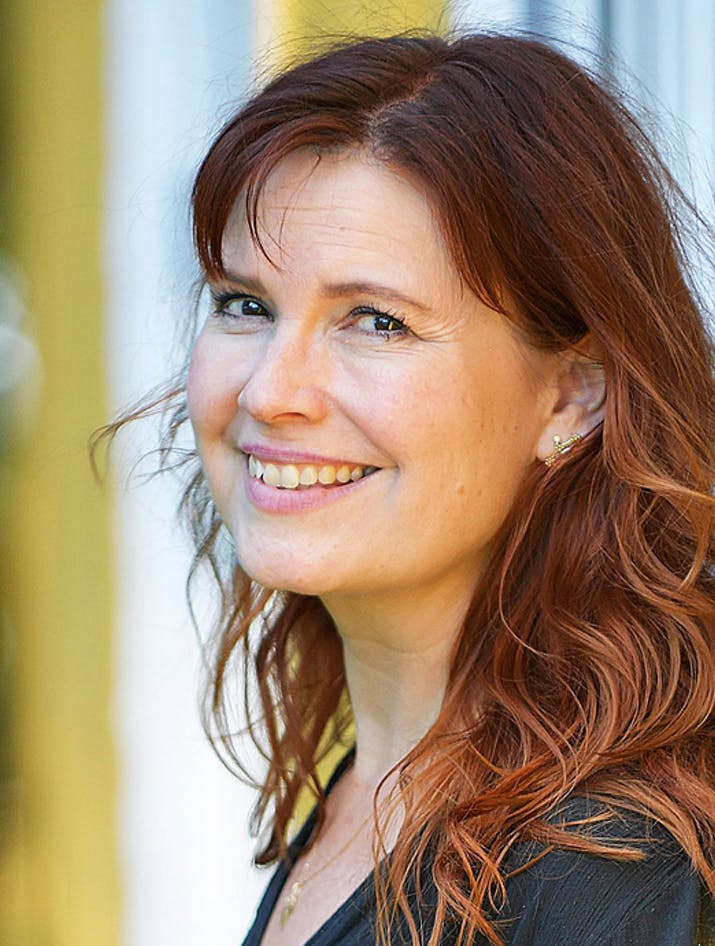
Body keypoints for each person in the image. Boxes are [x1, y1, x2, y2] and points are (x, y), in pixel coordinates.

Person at [104, 31, 715, 946]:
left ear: (570, 395)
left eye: (376, 321)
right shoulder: (381, 786)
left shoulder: (616, 866)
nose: (269, 391)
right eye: (244, 305)